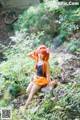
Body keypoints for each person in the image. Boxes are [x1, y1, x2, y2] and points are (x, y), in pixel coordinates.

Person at [20, 45, 51, 110]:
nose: (40, 55)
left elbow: (48, 74)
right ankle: (36, 100)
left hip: (41, 79)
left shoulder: (46, 63)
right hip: (35, 78)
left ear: (45, 55)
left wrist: (49, 83)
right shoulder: (37, 59)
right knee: (27, 90)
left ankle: (25, 108)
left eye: (42, 54)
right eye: (39, 53)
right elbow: (29, 55)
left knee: (31, 93)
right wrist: (36, 51)